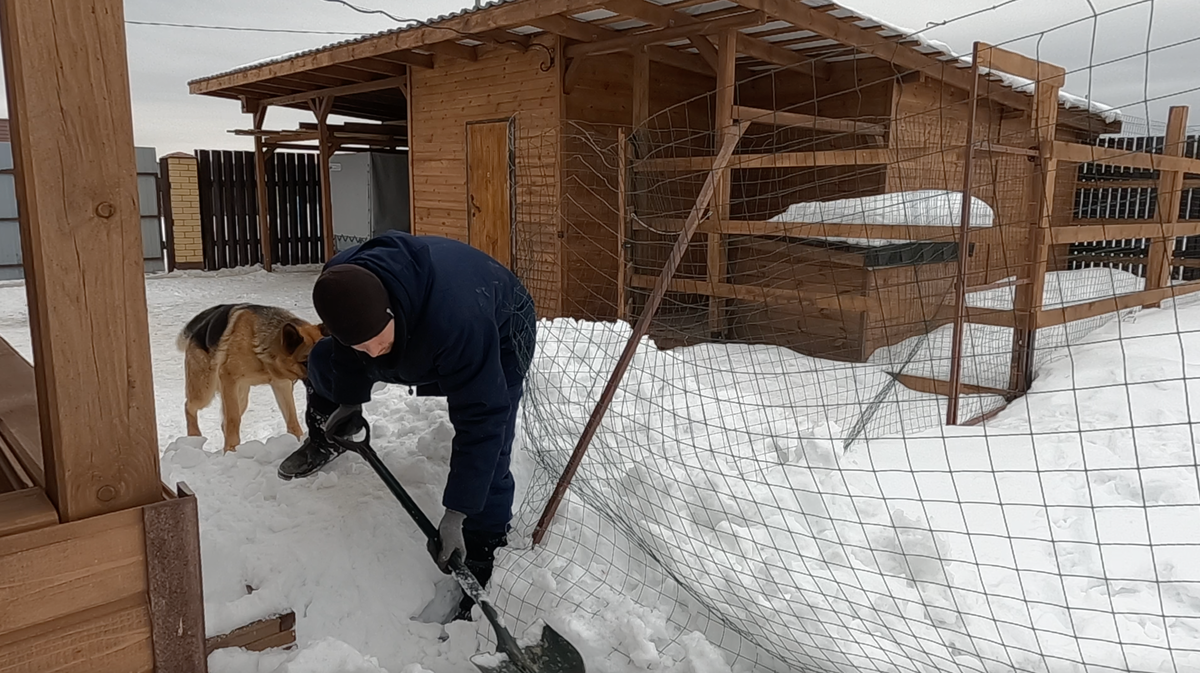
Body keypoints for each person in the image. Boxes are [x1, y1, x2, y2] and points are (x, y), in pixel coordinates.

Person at [278, 230, 537, 622]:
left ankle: (484, 547)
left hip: (500, 327)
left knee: (493, 441)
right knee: (322, 361)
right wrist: (349, 399)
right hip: (418, 328)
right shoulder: (341, 284)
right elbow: (350, 349)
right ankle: (325, 437)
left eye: (376, 342)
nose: (371, 352)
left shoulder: (457, 320)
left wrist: (456, 512)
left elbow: (482, 418)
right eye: (361, 346)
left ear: (390, 312)